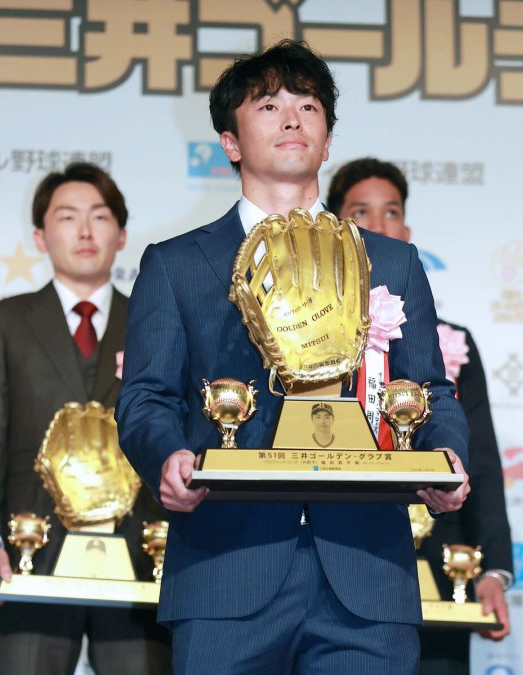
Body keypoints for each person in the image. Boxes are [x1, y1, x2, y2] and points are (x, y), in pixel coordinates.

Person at [115, 40, 472, 674]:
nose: (291, 119)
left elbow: (430, 392)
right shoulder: (176, 265)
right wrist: (167, 456)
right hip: (226, 571)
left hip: (366, 575)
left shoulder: (392, 262)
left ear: (327, 141)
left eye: (308, 106)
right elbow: (146, 397)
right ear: (230, 142)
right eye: (269, 105)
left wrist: (446, 455)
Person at [0, 162, 172, 675]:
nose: (84, 231)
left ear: (121, 235)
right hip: (31, 555)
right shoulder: (3, 322)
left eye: (99, 217)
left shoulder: (156, 323)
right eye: (67, 217)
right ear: (40, 236)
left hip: (140, 557)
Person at [328, 157, 514, 673]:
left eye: (390, 213)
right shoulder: (304, 342)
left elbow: (481, 463)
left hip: (441, 565)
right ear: (335, 229)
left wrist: (492, 570)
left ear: (406, 232)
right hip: (346, 555)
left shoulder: (451, 343)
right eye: (360, 212)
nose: (378, 225)